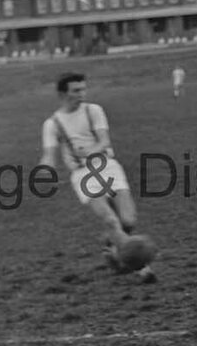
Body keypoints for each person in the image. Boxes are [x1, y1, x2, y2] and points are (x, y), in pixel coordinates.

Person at [40, 72, 156, 283]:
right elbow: (49, 153)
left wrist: (91, 151)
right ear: (62, 94)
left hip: (108, 166)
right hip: (84, 175)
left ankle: (112, 248)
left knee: (128, 220)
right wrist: (46, 169)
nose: (81, 94)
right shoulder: (52, 124)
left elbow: (104, 141)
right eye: (76, 91)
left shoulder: (94, 111)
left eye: (83, 89)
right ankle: (142, 268)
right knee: (111, 220)